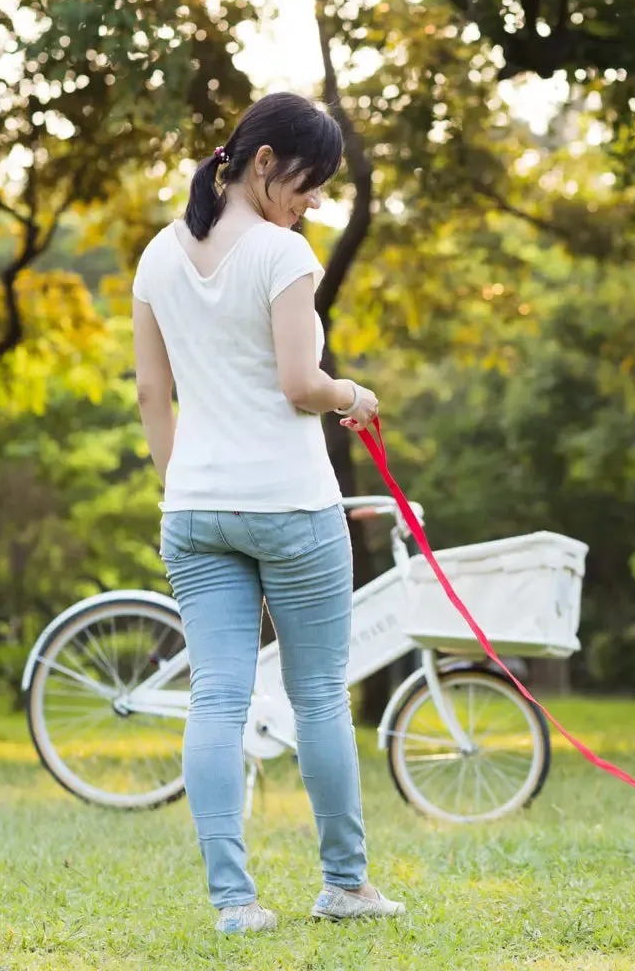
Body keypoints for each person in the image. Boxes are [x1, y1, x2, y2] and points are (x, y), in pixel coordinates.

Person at [130, 91, 403, 934]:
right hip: (289, 505)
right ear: (261, 163)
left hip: (196, 508)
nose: (314, 201)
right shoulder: (284, 257)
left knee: (216, 697)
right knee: (319, 695)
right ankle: (346, 886)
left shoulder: (156, 256)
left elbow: (150, 392)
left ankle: (233, 903)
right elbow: (299, 385)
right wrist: (353, 394)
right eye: (310, 183)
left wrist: (185, 486)